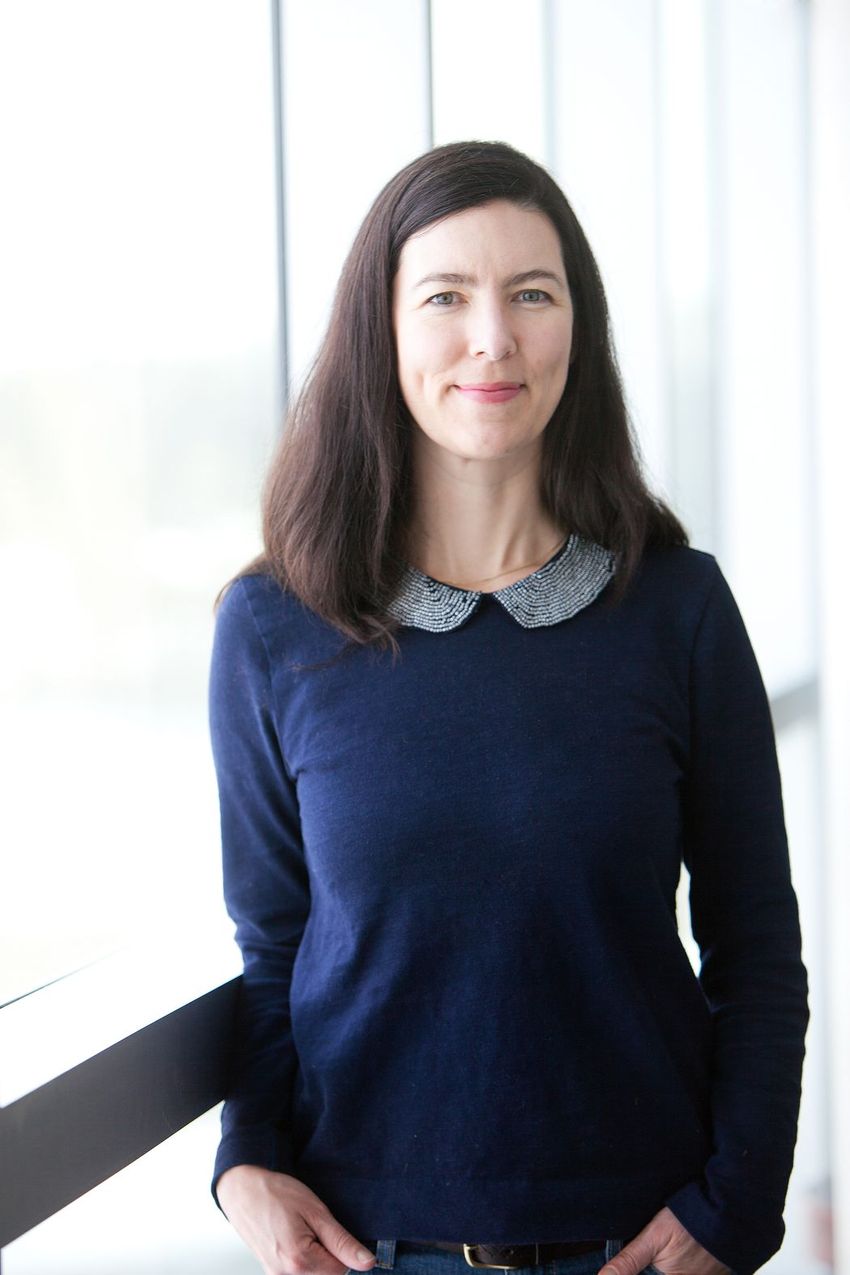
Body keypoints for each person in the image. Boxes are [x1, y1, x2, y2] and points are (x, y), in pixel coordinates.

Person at [207, 140, 809, 1275]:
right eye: (446, 296)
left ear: (578, 327)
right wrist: (244, 1161)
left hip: (643, 1238)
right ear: (381, 329)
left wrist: (737, 1206)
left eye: (532, 294)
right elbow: (272, 950)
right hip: (368, 1244)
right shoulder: (273, 628)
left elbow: (757, 950)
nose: (493, 337)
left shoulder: (677, 609)